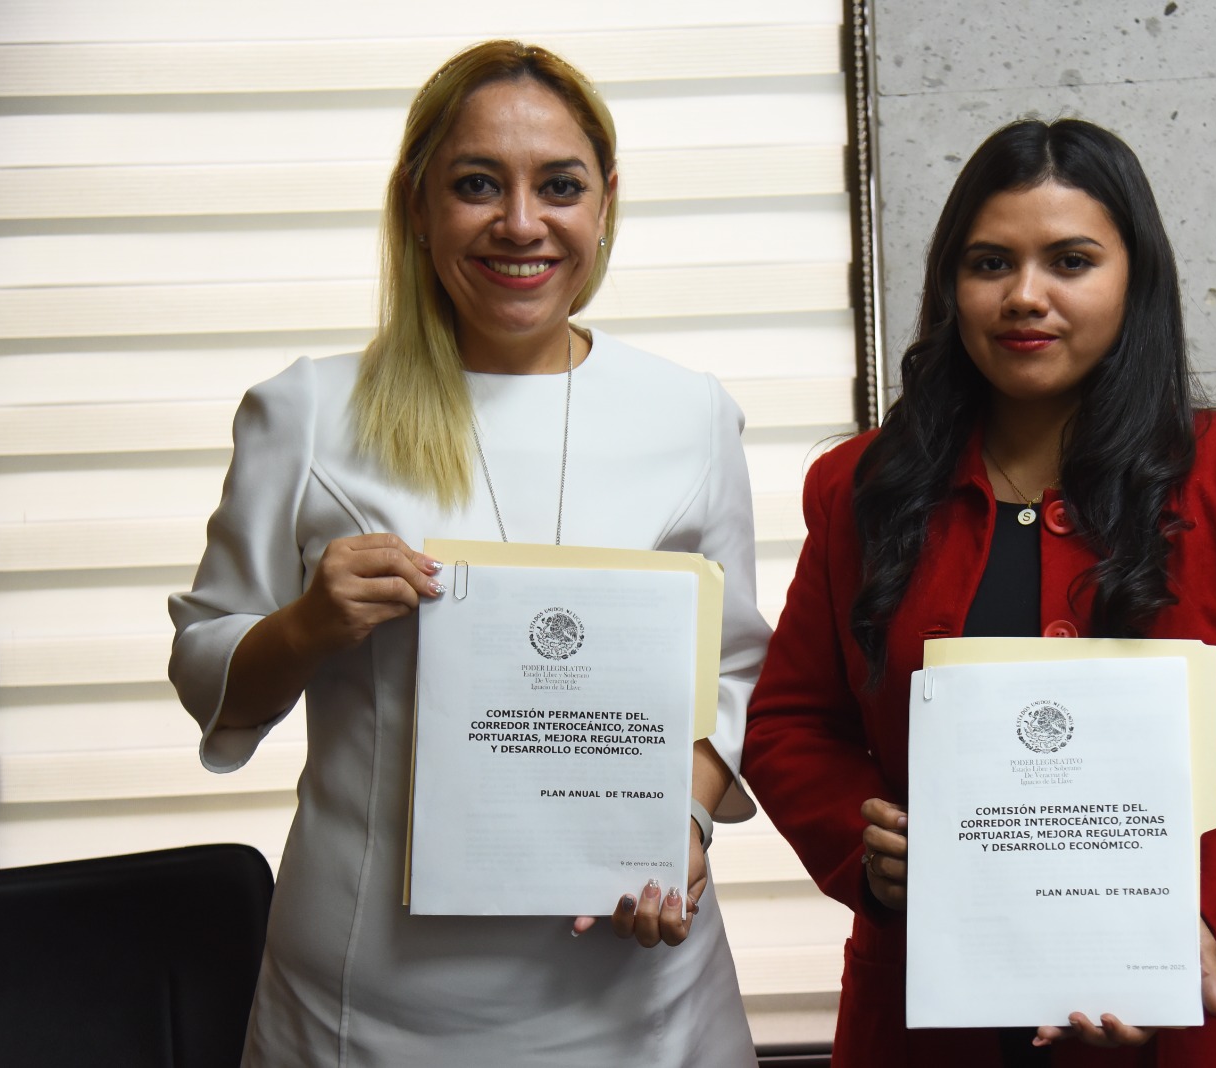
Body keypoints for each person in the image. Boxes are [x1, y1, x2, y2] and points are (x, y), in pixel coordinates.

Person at [740, 118, 1216, 1067]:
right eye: (989, 263)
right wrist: (870, 848)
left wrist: (1193, 915)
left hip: (1197, 1019)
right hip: (928, 1025)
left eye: (1071, 260)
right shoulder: (863, 485)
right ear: (951, 285)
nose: (1025, 295)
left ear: (1136, 278)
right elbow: (792, 724)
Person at [169, 40, 768, 1067]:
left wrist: (687, 820)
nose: (522, 224)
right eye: (477, 184)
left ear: (606, 203)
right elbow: (203, 669)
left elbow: (733, 670)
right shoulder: (307, 412)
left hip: (638, 993)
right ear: (417, 204)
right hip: (371, 998)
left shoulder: (691, 415)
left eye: (560, 186)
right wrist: (307, 626)